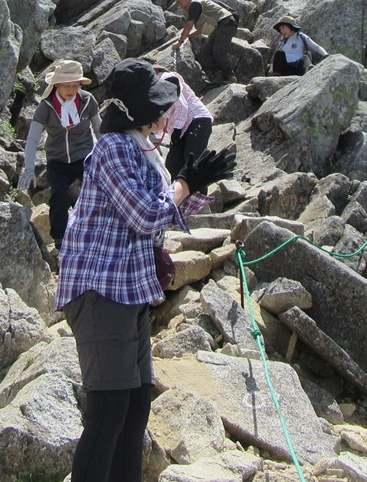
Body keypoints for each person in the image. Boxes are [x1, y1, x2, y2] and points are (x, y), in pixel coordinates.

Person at [57, 58, 236, 482]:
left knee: (136, 403)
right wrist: (185, 183)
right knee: (109, 409)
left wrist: (195, 184)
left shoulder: (140, 146)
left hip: (128, 288)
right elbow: (144, 214)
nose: (163, 114)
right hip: (100, 289)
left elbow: (165, 214)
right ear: (135, 110)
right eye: (157, 107)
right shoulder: (113, 148)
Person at [19, 60, 101, 248]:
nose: (71, 90)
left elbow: (99, 129)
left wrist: (108, 157)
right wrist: (29, 168)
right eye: (66, 86)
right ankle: (60, 240)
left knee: (94, 192)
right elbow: (32, 138)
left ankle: (94, 234)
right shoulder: (46, 107)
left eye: (75, 85)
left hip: (84, 156)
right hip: (58, 159)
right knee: (59, 196)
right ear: (56, 85)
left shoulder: (87, 100)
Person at [172, 0, 238, 82]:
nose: (180, 6)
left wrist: (180, 42)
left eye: (180, 1)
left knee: (218, 51)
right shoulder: (193, 8)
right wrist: (190, 36)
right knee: (205, 52)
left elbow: (189, 24)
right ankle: (219, 75)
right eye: (178, 4)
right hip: (219, 28)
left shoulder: (195, 4)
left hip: (226, 23)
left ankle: (231, 76)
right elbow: (201, 29)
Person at [157, 69, 212, 178]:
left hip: (196, 119)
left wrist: (177, 129)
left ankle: (198, 188)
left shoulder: (166, 78)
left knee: (192, 163)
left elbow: (181, 106)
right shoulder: (154, 87)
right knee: (173, 166)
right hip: (182, 127)